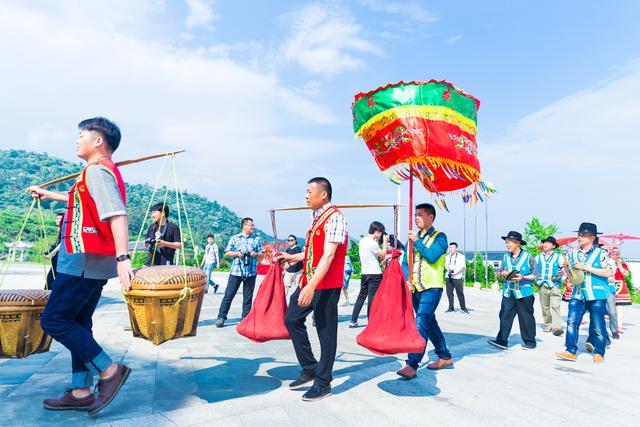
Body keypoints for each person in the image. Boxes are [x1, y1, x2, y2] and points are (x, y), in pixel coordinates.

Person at [28, 117, 134, 416]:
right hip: (89, 262)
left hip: (83, 260)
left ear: (98, 141)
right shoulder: (95, 174)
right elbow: (84, 200)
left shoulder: (96, 171)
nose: (77, 140)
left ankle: (109, 371)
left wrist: (124, 258)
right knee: (79, 324)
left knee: (55, 320)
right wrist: (48, 194)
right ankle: (81, 391)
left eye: (81, 135)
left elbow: (116, 213)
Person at [277, 177, 348, 401]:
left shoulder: (335, 218)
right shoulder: (316, 217)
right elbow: (313, 252)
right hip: (309, 280)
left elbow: (329, 255)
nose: (306, 196)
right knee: (292, 319)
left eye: (309, 192)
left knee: (326, 332)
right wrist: (292, 257)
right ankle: (310, 367)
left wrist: (311, 286)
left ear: (323, 194)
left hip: (325, 285)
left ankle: (323, 381)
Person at [396, 203, 453, 380]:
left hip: (432, 287)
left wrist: (417, 242)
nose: (416, 218)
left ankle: (412, 363)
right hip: (415, 288)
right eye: (415, 215)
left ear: (431, 217)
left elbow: (432, 255)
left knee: (420, 321)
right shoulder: (411, 240)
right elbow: (406, 262)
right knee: (429, 321)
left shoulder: (440, 237)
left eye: (420, 214)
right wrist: (407, 279)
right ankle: (445, 356)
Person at [556, 222, 612, 363]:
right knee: (571, 323)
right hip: (578, 294)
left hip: (597, 295)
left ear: (592, 237)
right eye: (579, 234)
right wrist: (567, 270)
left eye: (583, 234)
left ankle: (599, 352)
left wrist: (586, 267)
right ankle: (570, 351)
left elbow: (608, 272)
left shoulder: (601, 253)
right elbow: (573, 276)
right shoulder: (573, 253)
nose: (579, 237)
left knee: (598, 325)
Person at [488, 231, 538, 351]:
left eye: (509, 243)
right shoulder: (505, 257)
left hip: (524, 293)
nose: (507, 245)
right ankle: (502, 340)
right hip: (508, 292)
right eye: (506, 243)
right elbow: (501, 270)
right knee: (504, 316)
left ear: (517, 243)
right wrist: (503, 273)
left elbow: (535, 275)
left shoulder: (528, 256)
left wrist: (523, 277)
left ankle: (530, 342)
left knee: (526, 317)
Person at [215, 217, 264, 327]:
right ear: (244, 226)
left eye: (253, 225)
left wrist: (255, 254)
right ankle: (221, 317)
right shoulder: (234, 238)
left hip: (251, 272)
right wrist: (237, 254)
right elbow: (227, 252)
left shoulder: (256, 239)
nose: (253, 227)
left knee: (248, 297)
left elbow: (262, 254)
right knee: (228, 295)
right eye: (251, 225)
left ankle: (245, 318)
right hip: (236, 272)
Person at [349, 221, 388, 328]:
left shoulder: (362, 241)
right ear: (376, 231)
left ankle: (353, 320)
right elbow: (383, 254)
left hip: (364, 273)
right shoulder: (372, 243)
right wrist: (385, 242)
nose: (381, 235)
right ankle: (371, 321)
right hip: (374, 273)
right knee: (372, 298)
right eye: (381, 232)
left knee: (361, 297)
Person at [535, 236, 564, 335]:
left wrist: (562, 274)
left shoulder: (559, 257)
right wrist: (536, 281)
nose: (545, 244)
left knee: (556, 306)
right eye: (544, 243)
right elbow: (534, 270)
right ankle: (548, 324)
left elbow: (564, 269)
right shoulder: (538, 257)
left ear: (553, 246)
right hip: (542, 284)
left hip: (555, 284)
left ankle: (556, 327)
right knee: (545, 306)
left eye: (548, 243)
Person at [610, 247, 632, 333]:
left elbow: (625, 274)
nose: (615, 256)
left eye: (617, 254)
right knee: (610, 309)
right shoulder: (607, 264)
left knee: (620, 308)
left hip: (620, 287)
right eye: (613, 254)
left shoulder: (623, 265)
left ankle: (619, 327)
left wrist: (619, 264)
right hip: (609, 286)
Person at [445, 242, 468, 313]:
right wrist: (449, 271)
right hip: (448, 277)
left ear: (456, 248)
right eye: (450, 247)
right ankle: (451, 307)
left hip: (457, 277)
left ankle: (463, 308)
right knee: (449, 293)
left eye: (452, 247)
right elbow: (446, 265)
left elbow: (463, 268)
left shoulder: (461, 256)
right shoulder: (447, 256)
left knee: (460, 293)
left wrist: (455, 273)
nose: (451, 249)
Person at [44, 212, 65, 290]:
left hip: (60, 260)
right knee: (50, 279)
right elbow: (57, 244)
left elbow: (63, 243)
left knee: (52, 280)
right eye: (57, 218)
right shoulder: (60, 230)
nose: (57, 220)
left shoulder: (65, 229)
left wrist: (51, 254)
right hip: (56, 259)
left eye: (60, 219)